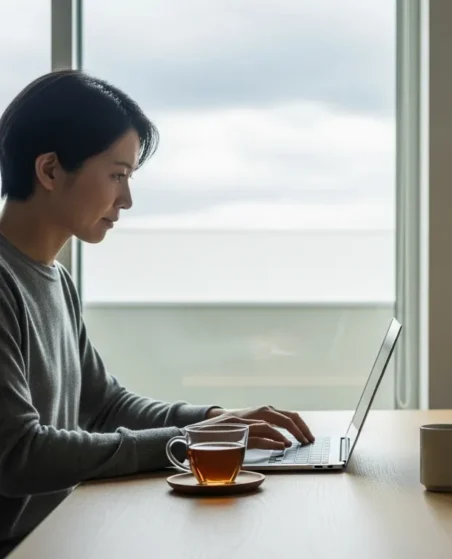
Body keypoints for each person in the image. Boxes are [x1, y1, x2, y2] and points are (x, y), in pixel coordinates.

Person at [0, 70, 316, 554]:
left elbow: (103, 407)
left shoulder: (56, 280)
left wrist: (216, 420)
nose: (126, 199)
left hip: (59, 533)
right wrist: (186, 440)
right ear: (50, 171)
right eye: (117, 175)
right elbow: (19, 454)